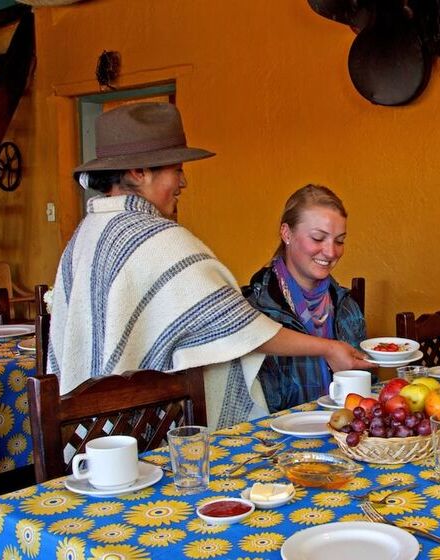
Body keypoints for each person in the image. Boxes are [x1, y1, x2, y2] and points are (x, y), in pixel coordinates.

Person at [47, 102, 370, 429]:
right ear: (139, 172)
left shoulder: (86, 234)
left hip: (88, 431)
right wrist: (328, 348)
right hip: (145, 430)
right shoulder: (158, 240)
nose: (183, 182)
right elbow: (244, 328)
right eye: (176, 170)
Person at [245, 185, 366, 412]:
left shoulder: (346, 305)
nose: (331, 252)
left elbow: (361, 393)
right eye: (318, 238)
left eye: (340, 241)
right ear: (286, 233)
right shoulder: (255, 308)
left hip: (342, 428)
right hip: (278, 432)